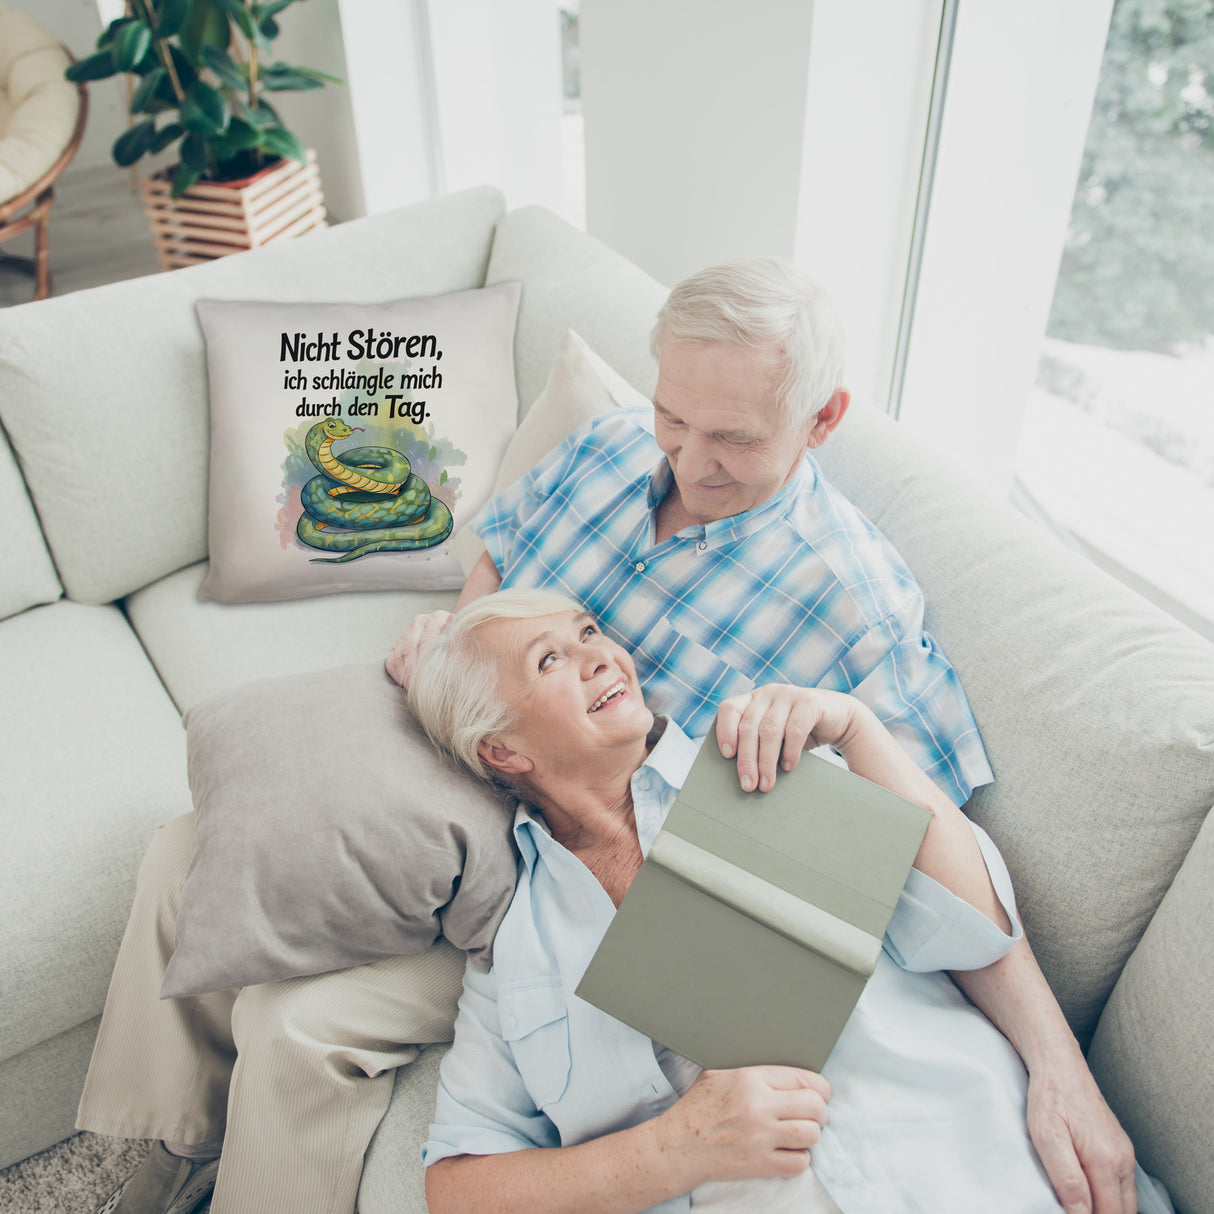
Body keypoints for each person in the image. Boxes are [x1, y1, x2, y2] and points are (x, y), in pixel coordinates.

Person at [80, 260, 1131, 1214]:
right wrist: (458, 644)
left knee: (299, 1024)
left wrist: (1057, 1063)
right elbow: (499, 559)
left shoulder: (854, 608)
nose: (687, 457)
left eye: (732, 438)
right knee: (192, 846)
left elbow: (927, 854)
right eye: (674, 415)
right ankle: (155, 1152)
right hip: (486, 746)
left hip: (577, 852)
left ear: (820, 420)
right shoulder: (608, 447)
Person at [407, 588, 1160, 1214]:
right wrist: (674, 1149)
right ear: (502, 750)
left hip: (985, 1167)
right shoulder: (516, 952)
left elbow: (972, 929)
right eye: (550, 659)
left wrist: (859, 731)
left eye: (589, 632)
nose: (601, 655)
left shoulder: (762, 761)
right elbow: (458, 1188)